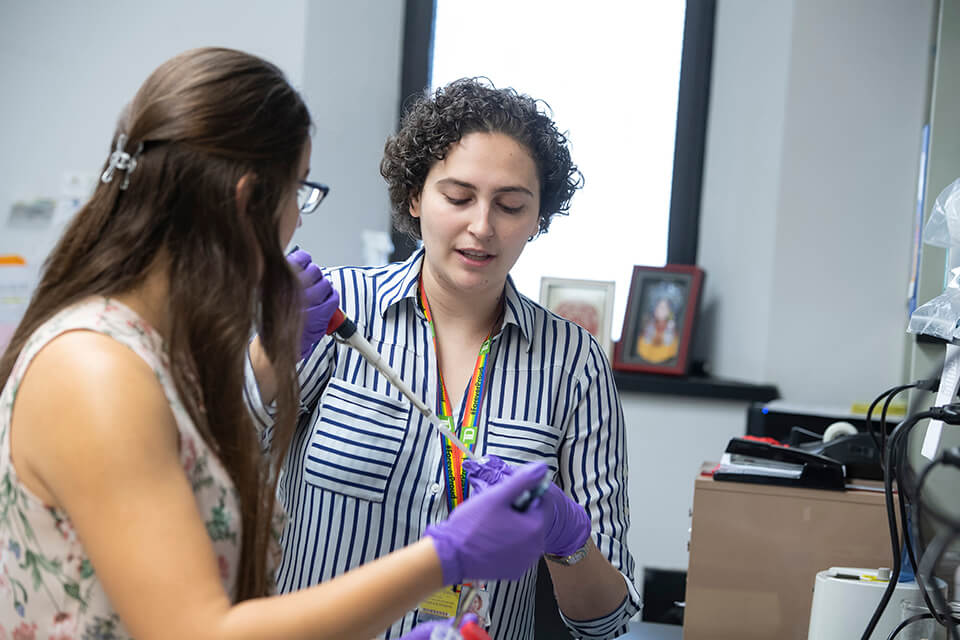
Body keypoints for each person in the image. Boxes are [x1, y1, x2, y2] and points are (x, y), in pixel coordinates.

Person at [0, 49, 552, 640]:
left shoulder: (156, 353)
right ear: (246, 202)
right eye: (299, 192)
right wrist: (445, 558)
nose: (298, 217)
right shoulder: (97, 369)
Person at [247, 78, 641, 640]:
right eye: (458, 198)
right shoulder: (332, 313)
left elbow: (603, 621)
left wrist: (567, 539)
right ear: (414, 198)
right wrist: (269, 354)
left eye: (510, 206)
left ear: (537, 219)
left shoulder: (573, 362)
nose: (482, 227)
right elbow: (219, 469)